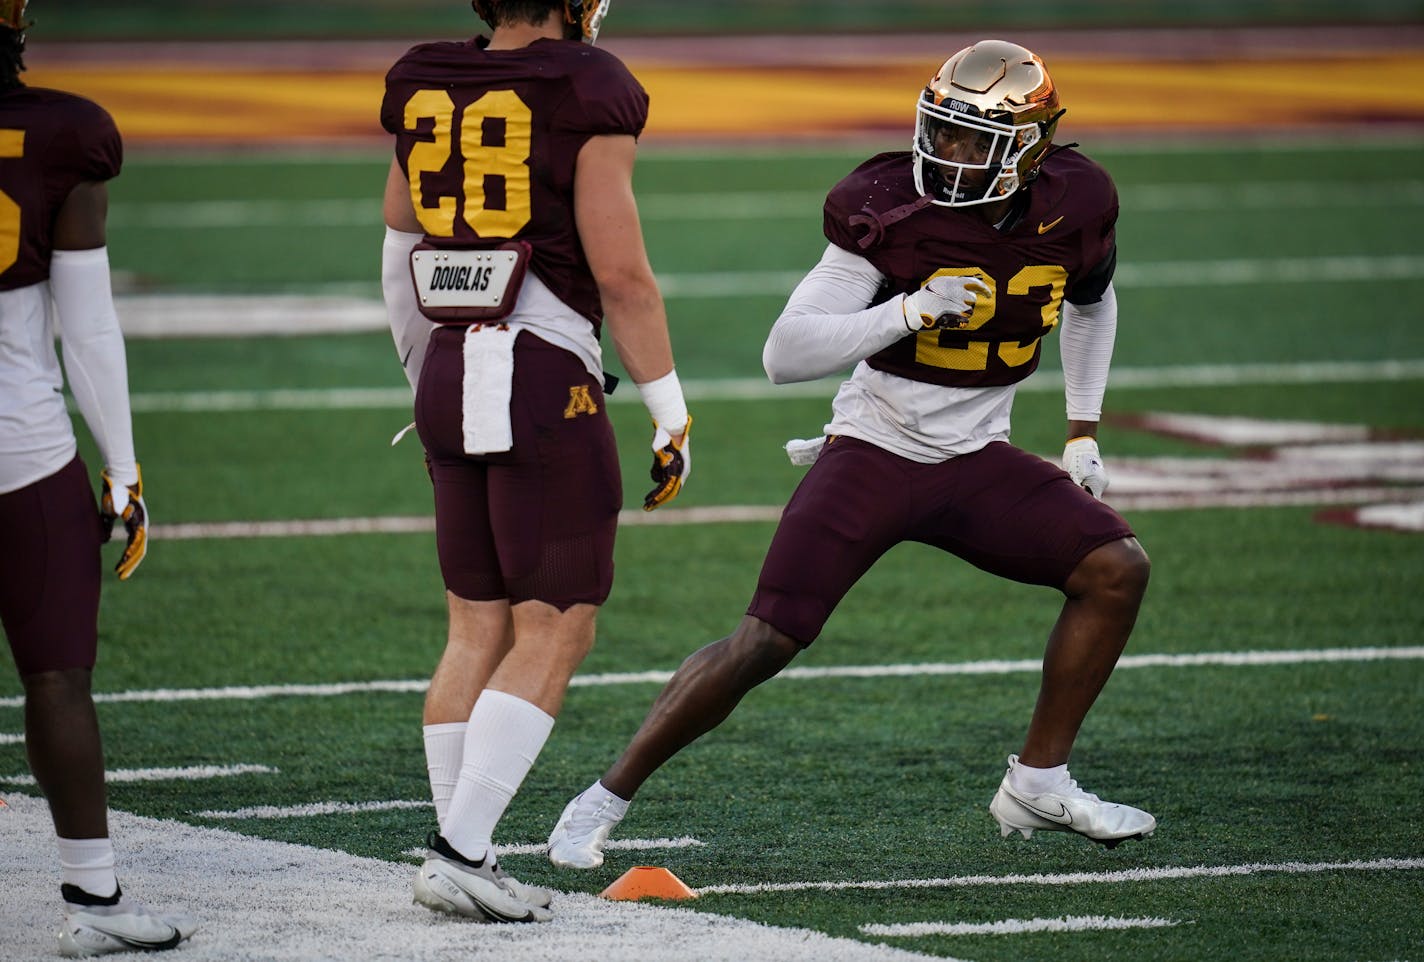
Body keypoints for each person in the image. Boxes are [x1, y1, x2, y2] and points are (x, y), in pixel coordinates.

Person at [547, 39, 1155, 871]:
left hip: (978, 459)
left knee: (1116, 567)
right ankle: (603, 798)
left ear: (1031, 148)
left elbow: (1093, 299)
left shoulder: (1077, 204)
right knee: (765, 639)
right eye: (941, 130)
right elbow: (785, 353)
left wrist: (1082, 428)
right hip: (875, 448)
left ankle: (1039, 781)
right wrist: (905, 313)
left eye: (975, 140)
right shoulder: (886, 205)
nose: (948, 155)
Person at [379, 0, 692, 924]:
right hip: (541, 369)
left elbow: (401, 246)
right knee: (557, 623)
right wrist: (669, 409)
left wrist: (423, 371)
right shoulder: (588, 82)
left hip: (446, 364)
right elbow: (623, 274)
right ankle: (462, 850)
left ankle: (460, 847)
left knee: (475, 625)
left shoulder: (425, 72)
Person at [0, 1, 197, 956]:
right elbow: (86, 328)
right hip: (20, 451)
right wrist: (122, 468)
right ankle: (95, 896)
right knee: (56, 677)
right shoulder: (60, 134)